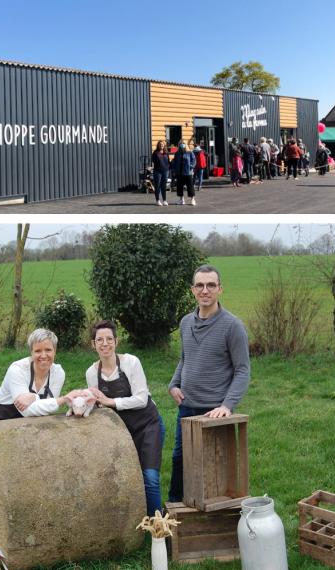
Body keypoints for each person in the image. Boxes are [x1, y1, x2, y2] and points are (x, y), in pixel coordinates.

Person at [167, 265, 250, 502]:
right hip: (186, 408)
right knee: (180, 460)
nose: (205, 290)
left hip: (214, 412)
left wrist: (227, 406)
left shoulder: (233, 326)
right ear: (193, 290)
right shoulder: (185, 323)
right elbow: (185, 358)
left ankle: (215, 517)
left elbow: (243, 370)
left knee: (214, 467)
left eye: (211, 285)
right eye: (200, 285)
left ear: (220, 290)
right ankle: (175, 513)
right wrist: (174, 385)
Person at [86, 320, 165, 515]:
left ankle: (158, 526)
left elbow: (141, 399)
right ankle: (137, 520)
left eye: (109, 339)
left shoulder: (131, 362)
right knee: (129, 477)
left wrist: (110, 401)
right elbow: (98, 405)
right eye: (100, 340)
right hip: (123, 431)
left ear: (116, 341)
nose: (105, 344)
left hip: (148, 425)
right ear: (93, 344)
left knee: (150, 476)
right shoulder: (91, 373)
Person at [0, 328, 75, 419]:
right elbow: (26, 410)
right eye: (38, 351)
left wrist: (34, 398)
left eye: (48, 350)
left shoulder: (58, 373)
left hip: (26, 420)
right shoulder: (17, 369)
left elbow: (49, 409)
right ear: (31, 352)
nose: (43, 355)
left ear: (55, 351)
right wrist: (62, 399)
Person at [171, 140, 196, 205]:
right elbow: (175, 162)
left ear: (186, 144)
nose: (182, 144)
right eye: (181, 143)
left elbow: (194, 161)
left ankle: (192, 199)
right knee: (179, 187)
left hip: (188, 172)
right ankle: (181, 200)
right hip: (179, 173)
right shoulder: (177, 153)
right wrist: (174, 169)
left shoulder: (190, 152)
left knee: (190, 186)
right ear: (179, 145)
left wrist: (190, 167)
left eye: (183, 143)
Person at [151, 140, 170, 206]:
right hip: (158, 172)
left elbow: (168, 161)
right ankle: (157, 200)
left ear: (164, 145)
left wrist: (168, 168)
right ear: (158, 145)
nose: (161, 145)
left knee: (163, 186)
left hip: (165, 171)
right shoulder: (155, 153)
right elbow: (153, 161)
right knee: (157, 186)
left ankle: (164, 200)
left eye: (162, 144)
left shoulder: (166, 152)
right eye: (160, 144)